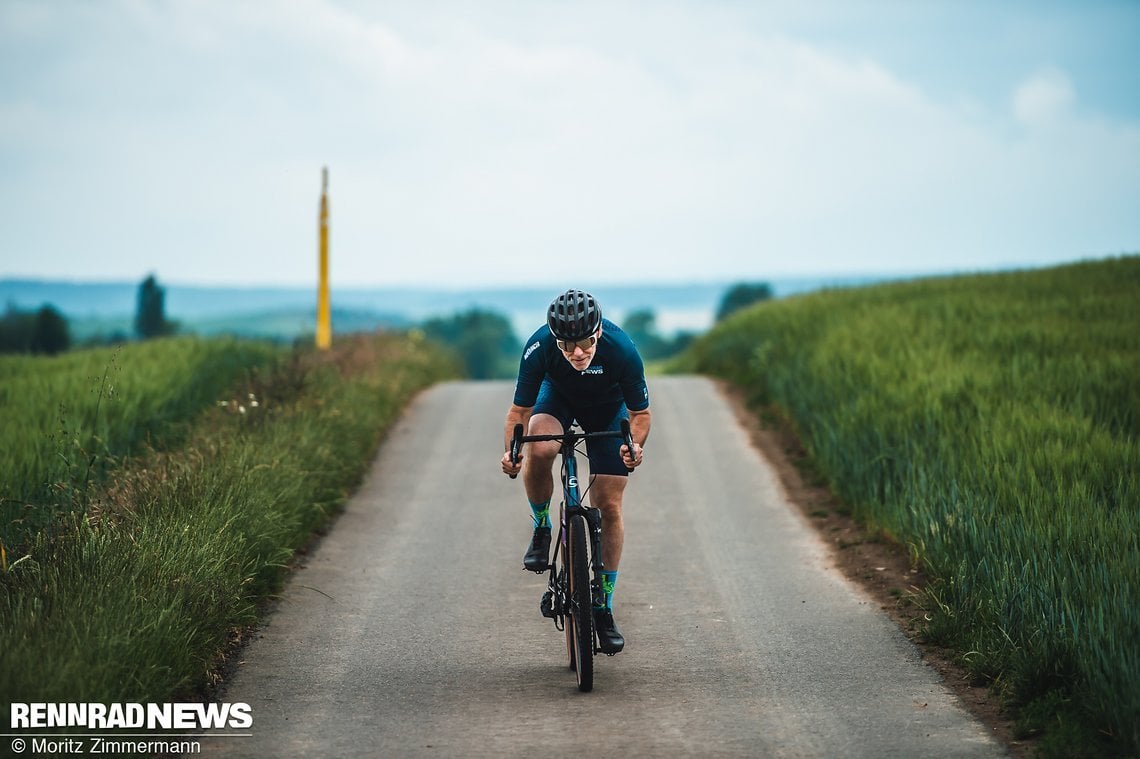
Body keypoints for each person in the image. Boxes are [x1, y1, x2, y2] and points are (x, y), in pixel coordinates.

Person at [500, 289, 651, 654]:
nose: (577, 352)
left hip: (607, 407)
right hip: (558, 399)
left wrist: (633, 447)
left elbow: (640, 416)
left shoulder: (622, 349)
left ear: (597, 332)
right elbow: (519, 413)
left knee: (609, 504)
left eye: (584, 342)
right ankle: (542, 527)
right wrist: (512, 453)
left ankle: (603, 608)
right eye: (567, 345)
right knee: (541, 444)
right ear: (555, 339)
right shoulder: (538, 347)